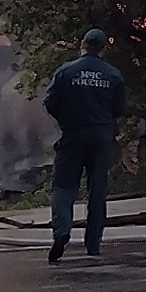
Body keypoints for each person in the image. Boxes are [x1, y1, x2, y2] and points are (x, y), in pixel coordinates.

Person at [41, 28, 127, 264]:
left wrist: (67, 120)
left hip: (72, 135)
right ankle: (93, 243)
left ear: (82, 45)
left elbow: (50, 102)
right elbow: (120, 109)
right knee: (97, 190)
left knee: (64, 186)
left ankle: (62, 232)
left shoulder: (66, 72)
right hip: (101, 138)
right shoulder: (113, 75)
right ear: (102, 48)